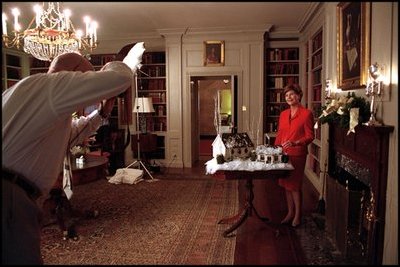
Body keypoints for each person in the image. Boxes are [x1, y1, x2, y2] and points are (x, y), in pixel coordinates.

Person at [2, 43, 145, 264]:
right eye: (86, 81)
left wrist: (102, 113)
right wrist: (119, 64)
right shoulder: (51, 86)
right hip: (9, 195)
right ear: (74, 76)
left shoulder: (33, 96)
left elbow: (73, 134)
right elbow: (120, 79)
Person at [274, 84, 314, 228]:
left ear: (299, 95)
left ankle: (298, 215)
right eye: (286, 95)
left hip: (297, 155)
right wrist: (275, 149)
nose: (289, 97)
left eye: (292, 94)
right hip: (284, 154)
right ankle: (290, 213)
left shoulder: (307, 114)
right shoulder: (283, 114)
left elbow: (310, 136)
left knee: (295, 186)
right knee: (285, 185)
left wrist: (296, 142)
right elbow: (280, 134)